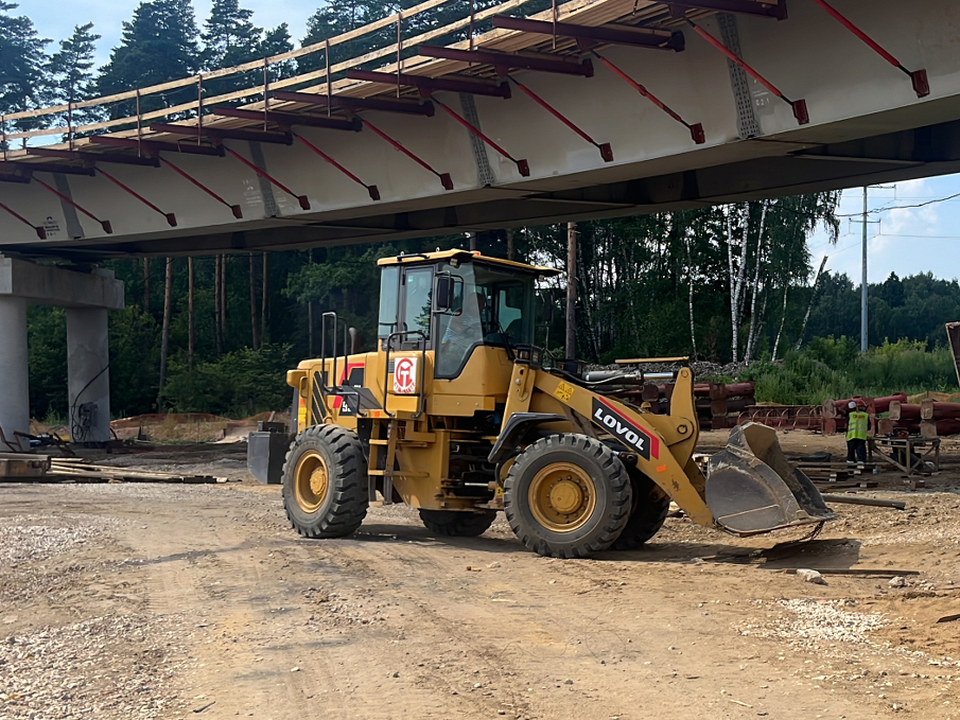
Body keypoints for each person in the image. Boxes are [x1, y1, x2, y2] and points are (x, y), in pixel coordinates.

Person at [846, 400, 868, 467]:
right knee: (861, 451)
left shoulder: (851, 415)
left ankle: (850, 465)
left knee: (851, 451)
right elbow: (869, 426)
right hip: (861, 436)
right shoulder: (866, 415)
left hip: (851, 436)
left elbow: (845, 425)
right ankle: (860, 465)